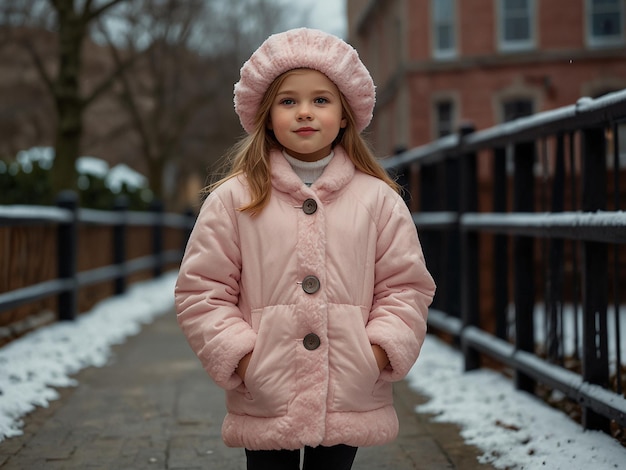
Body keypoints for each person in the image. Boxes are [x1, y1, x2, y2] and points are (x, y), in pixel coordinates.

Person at [175, 28, 436, 470]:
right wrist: (242, 357)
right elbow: (202, 290)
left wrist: (374, 351)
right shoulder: (234, 200)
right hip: (265, 387)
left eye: (320, 100)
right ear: (267, 115)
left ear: (344, 114)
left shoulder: (378, 201)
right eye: (288, 101)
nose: (304, 113)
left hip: (348, 383)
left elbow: (405, 287)